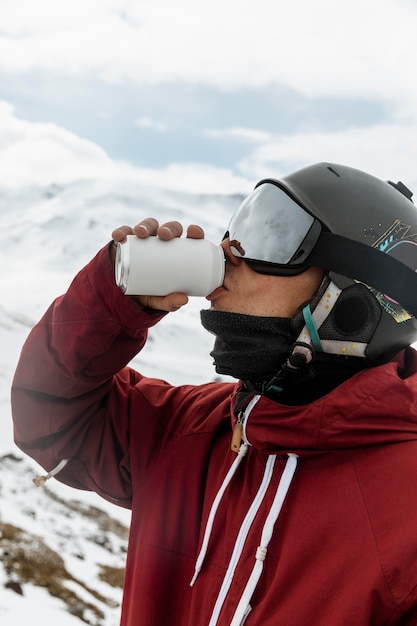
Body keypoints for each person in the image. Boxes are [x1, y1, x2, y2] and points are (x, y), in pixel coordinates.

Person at [11, 162, 417, 625]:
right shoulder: (191, 430)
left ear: (351, 304)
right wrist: (112, 298)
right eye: (237, 231)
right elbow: (52, 415)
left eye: (275, 239)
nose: (227, 253)